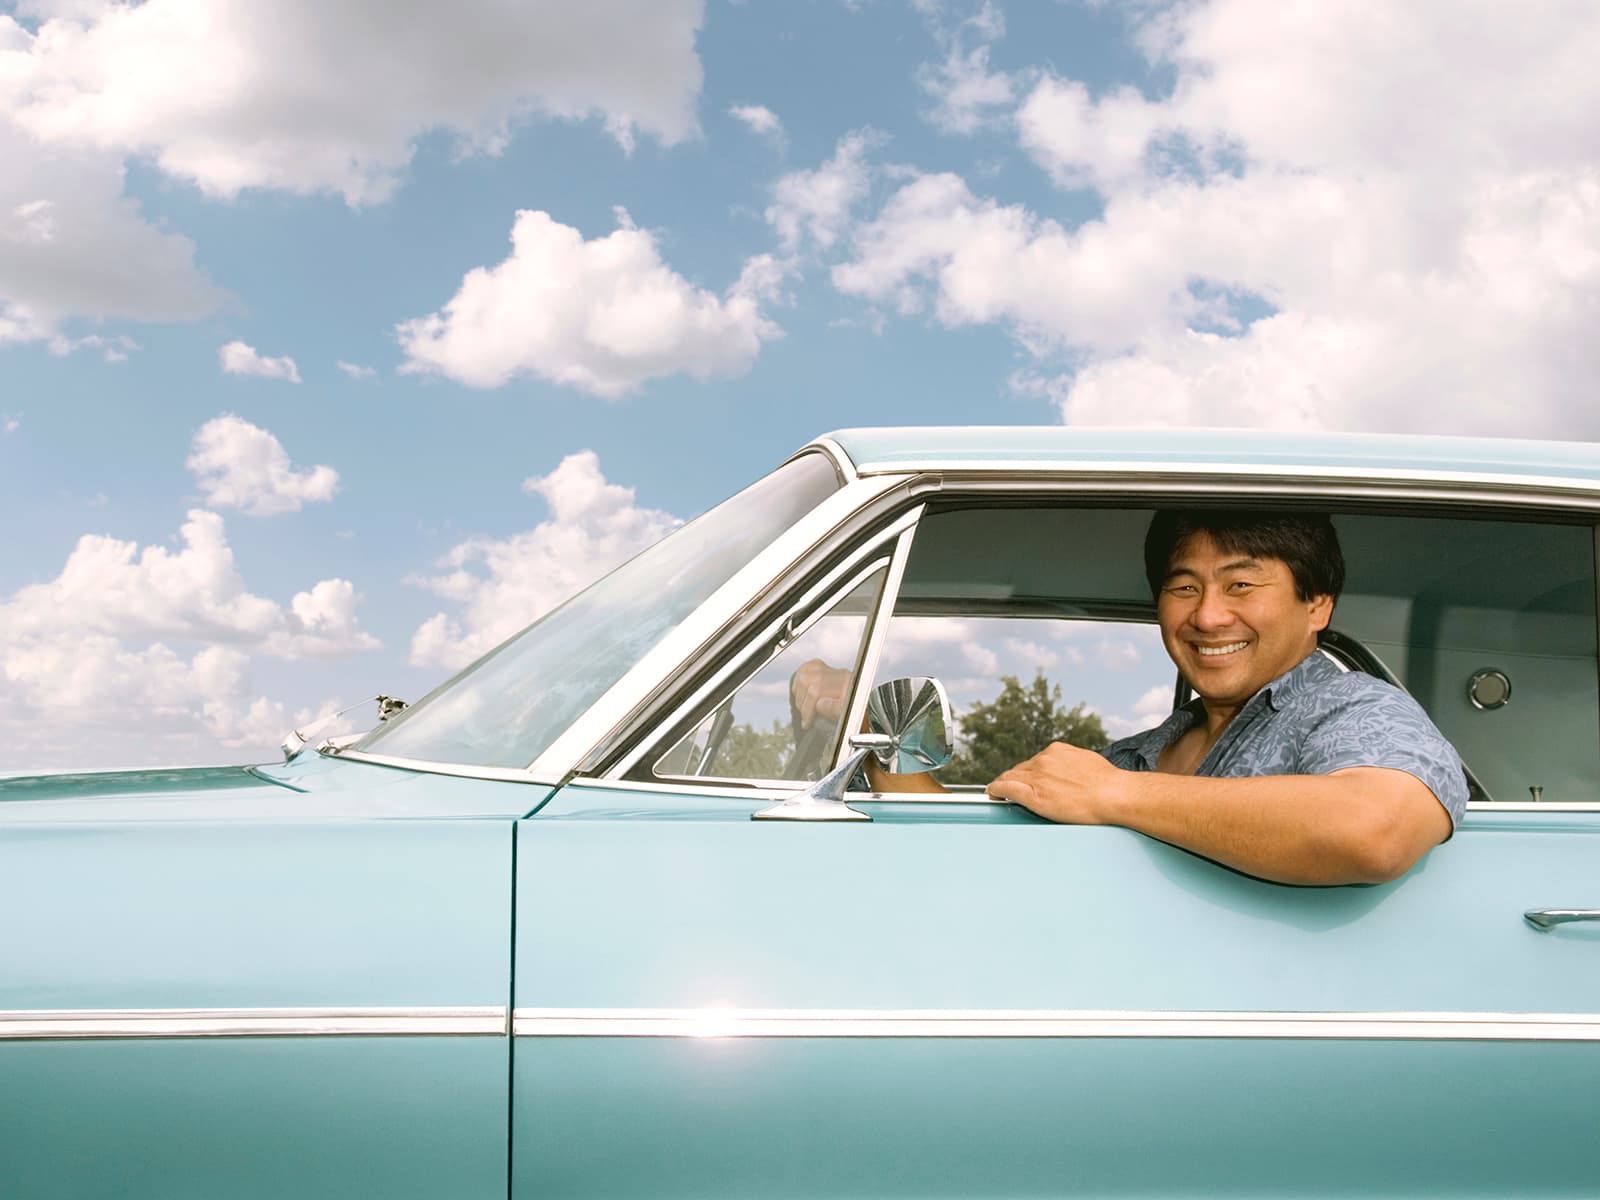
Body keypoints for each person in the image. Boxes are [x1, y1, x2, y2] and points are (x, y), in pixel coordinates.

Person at [794, 509, 1467, 886]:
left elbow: (1372, 829)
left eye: (1240, 586)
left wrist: (1112, 795)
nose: (1206, 617)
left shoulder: (1351, 709)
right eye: (1183, 588)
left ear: (1317, 605)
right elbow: (979, 870)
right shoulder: (1143, 753)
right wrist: (874, 715)